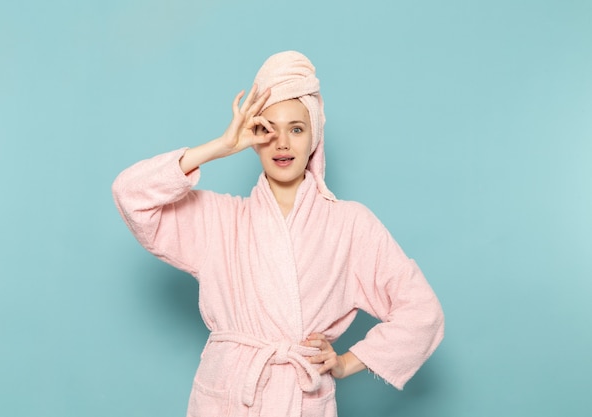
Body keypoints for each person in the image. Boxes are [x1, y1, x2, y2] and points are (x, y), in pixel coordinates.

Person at [112, 51, 444, 417]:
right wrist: (220, 147)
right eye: (268, 129)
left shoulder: (351, 224)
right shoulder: (220, 218)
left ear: (314, 138)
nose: (282, 143)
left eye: (297, 129)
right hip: (227, 398)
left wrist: (349, 362)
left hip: (301, 399)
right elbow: (130, 193)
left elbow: (421, 312)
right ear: (253, 137)